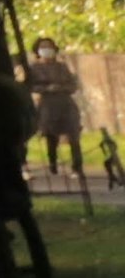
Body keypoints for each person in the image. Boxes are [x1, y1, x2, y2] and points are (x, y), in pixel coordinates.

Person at [28, 38, 84, 178]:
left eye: (49, 46)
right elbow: (31, 86)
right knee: (51, 137)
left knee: (74, 135)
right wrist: (47, 89)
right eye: (43, 47)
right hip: (47, 104)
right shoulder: (34, 68)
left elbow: (73, 85)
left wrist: (62, 88)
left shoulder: (62, 67)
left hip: (66, 103)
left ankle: (77, 168)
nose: (47, 49)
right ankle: (53, 166)